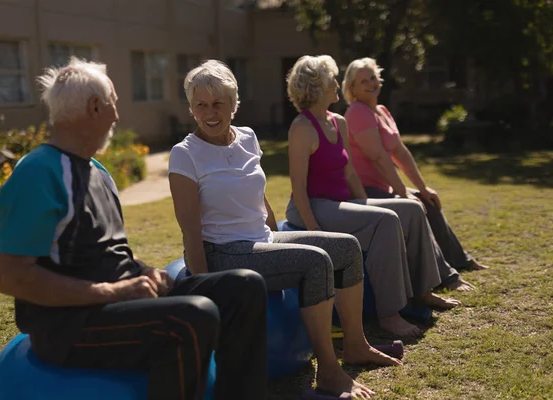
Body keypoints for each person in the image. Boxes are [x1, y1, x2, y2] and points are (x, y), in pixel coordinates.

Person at [0, 57, 268, 400]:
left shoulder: (97, 172)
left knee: (244, 286)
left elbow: (108, 252)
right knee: (190, 319)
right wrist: (115, 292)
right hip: (69, 324)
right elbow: (13, 278)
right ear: (95, 107)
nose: (117, 116)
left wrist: (145, 271)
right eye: (113, 104)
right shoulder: (38, 173)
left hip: (119, 304)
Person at [169, 59, 399, 399]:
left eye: (218, 103)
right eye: (200, 105)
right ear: (191, 108)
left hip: (260, 240)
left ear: (234, 104)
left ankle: (355, 345)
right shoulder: (185, 154)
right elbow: (190, 232)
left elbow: (261, 200)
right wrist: (207, 288)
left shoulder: (247, 137)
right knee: (316, 260)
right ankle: (330, 374)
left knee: (347, 248)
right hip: (222, 253)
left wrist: (278, 239)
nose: (210, 112)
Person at [285, 55, 462, 339]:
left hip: (341, 202)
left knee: (411, 209)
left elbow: (351, 174)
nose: (336, 83)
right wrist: (314, 230)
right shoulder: (302, 128)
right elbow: (299, 185)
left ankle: (423, 292)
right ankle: (389, 315)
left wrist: (364, 204)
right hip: (313, 206)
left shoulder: (338, 121)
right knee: (386, 221)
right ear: (316, 86)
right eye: (332, 78)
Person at [341, 58, 489, 283]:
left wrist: (422, 187)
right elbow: (379, 158)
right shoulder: (357, 112)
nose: (371, 83)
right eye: (363, 81)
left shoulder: (381, 110)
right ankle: (446, 276)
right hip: (365, 191)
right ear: (352, 88)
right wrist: (403, 192)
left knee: (428, 200)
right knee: (415, 208)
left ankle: (460, 259)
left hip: (384, 186)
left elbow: (399, 152)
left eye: (372, 77)